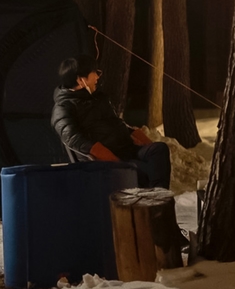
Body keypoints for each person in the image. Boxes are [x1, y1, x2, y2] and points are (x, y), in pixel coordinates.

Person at [51, 55, 171, 189]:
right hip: (106, 161)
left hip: (127, 149)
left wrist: (142, 139)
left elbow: (118, 123)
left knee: (158, 149)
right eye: (94, 73)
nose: (97, 77)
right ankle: (156, 201)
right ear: (80, 80)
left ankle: (159, 198)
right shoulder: (63, 109)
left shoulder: (98, 98)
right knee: (145, 171)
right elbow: (78, 142)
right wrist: (118, 164)